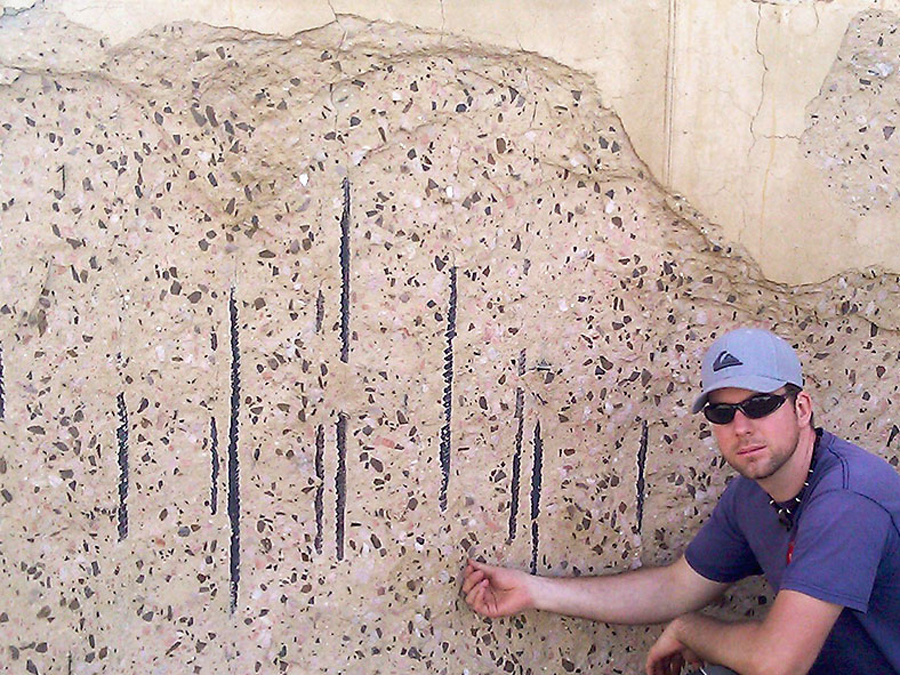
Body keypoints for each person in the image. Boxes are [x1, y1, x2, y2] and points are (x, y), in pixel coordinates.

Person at [462, 327, 900, 675]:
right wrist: (535, 590)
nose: (741, 426)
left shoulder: (847, 500)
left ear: (802, 408)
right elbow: (676, 587)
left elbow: (776, 664)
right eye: (722, 413)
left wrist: (694, 629)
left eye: (761, 405)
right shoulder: (750, 494)